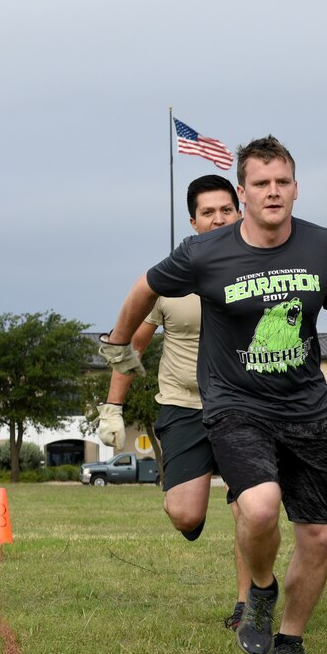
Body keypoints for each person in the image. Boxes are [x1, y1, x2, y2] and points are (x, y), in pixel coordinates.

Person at [98, 136, 327, 654]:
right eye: (261, 184)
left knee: (318, 534)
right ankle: (260, 590)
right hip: (235, 403)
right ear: (244, 192)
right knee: (261, 505)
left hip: (307, 405)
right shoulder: (204, 253)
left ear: (295, 187)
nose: (273, 193)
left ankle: (290, 641)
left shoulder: (325, 245)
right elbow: (144, 288)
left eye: (282, 182)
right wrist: (118, 344)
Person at [97, 174, 253, 630]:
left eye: (227, 210)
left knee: (248, 507)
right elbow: (132, 347)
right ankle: (194, 513)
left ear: (239, 212)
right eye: (209, 212)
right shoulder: (169, 279)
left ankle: (249, 603)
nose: (219, 219)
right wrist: (113, 408)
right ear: (193, 220)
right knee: (185, 513)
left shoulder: (260, 271)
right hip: (183, 405)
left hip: (243, 405)